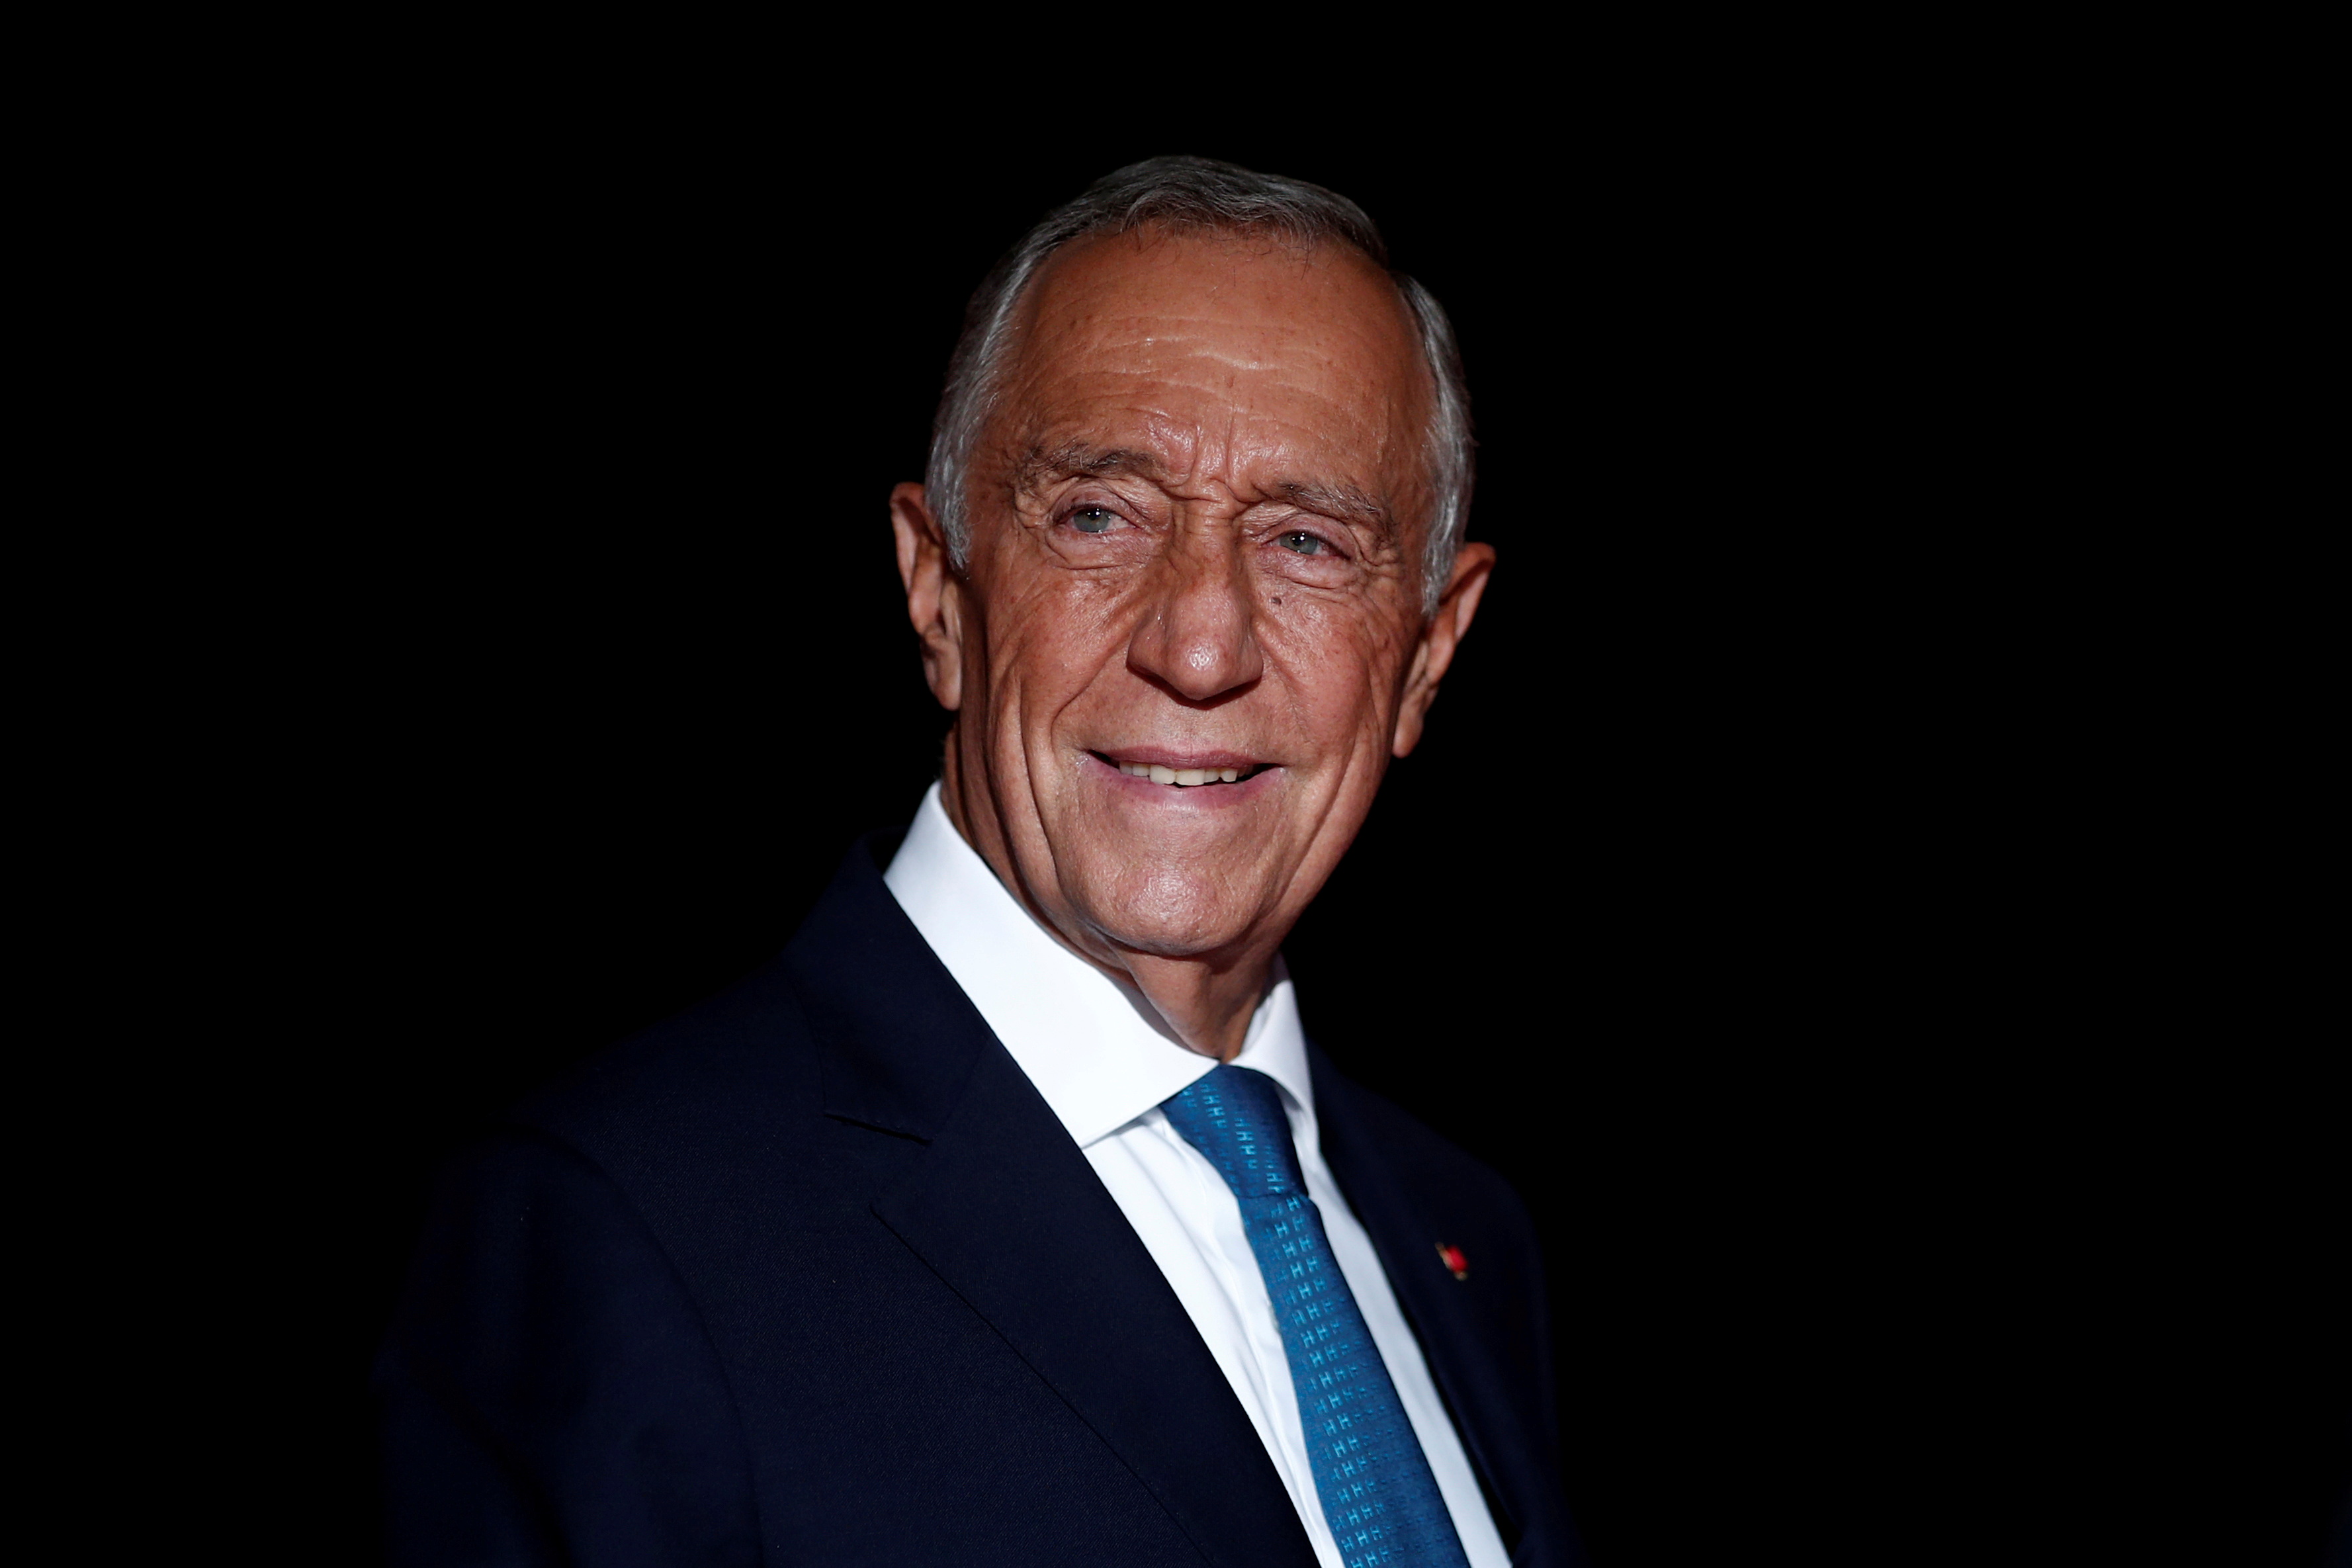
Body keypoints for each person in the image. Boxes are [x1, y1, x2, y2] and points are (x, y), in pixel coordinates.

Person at [378, 156, 1580, 1567]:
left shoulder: (1464, 1238)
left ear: (1426, 655)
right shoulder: (603, 1234)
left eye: (1308, 542)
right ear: (937, 590)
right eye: (1097, 517)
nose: (1199, 646)